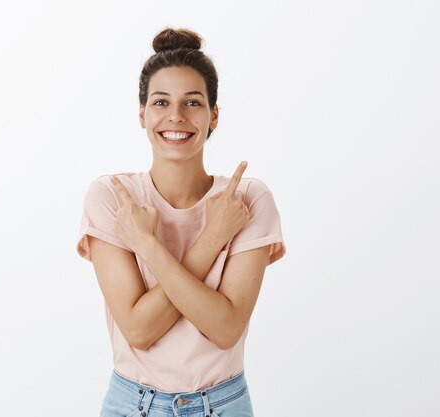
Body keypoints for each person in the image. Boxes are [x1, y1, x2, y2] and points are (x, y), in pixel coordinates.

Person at [76, 27, 286, 417]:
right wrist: (213, 239)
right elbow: (139, 330)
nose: (175, 117)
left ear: (214, 115)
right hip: (132, 404)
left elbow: (224, 329)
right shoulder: (111, 198)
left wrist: (150, 245)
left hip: (221, 404)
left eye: (192, 103)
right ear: (142, 114)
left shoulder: (248, 200)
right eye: (160, 102)